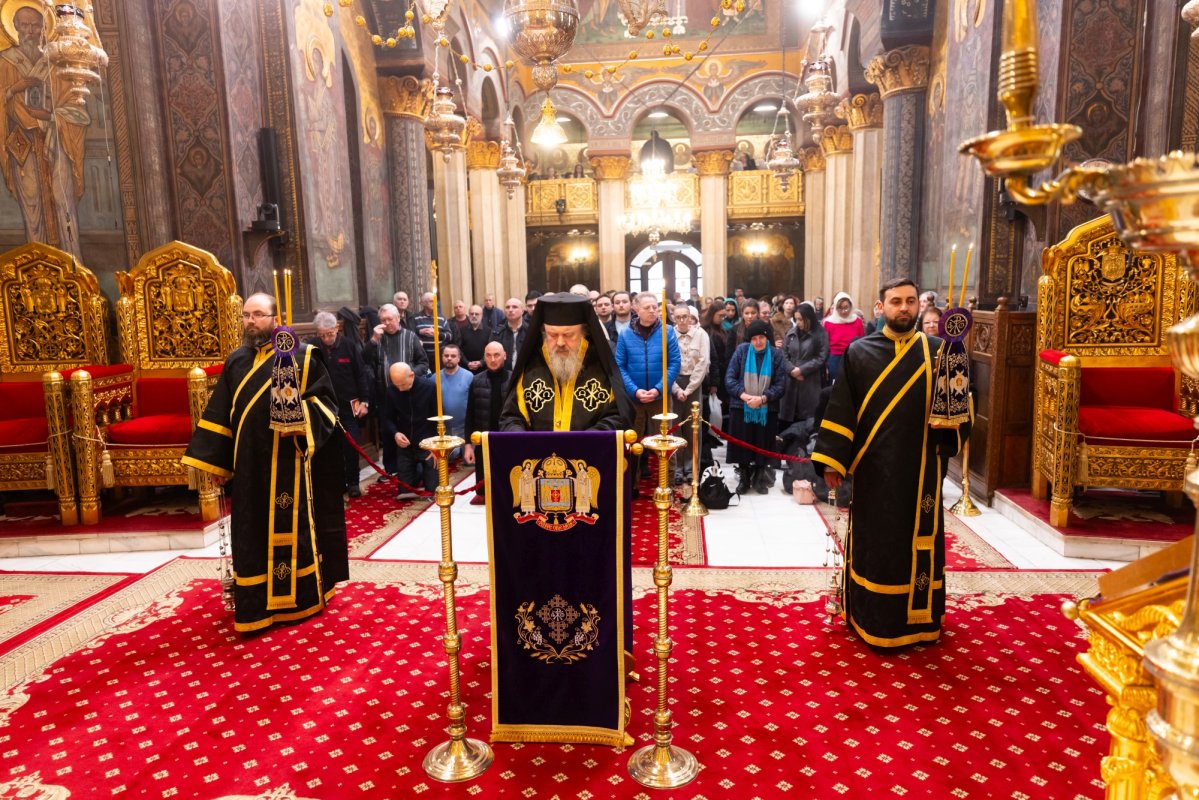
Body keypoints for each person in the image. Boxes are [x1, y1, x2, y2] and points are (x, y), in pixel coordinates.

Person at [811, 278, 970, 648]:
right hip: (874, 470)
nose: (904, 308)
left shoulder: (938, 351)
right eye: (896, 301)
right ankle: (871, 617)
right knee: (878, 544)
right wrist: (833, 460)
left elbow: (961, 408)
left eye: (911, 301)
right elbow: (842, 406)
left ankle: (920, 619)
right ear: (881, 307)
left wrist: (953, 413)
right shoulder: (859, 351)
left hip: (921, 469)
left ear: (919, 305)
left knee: (915, 543)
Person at [182, 293, 349, 632]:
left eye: (258, 314)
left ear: (275, 317)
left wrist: (298, 417)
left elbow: (327, 406)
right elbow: (220, 413)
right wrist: (216, 463)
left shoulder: (303, 357)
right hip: (248, 468)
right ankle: (256, 606)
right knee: (250, 532)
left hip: (290, 463)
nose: (250, 321)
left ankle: (300, 600)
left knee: (294, 530)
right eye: (246, 315)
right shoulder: (236, 361)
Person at [500, 292, 630, 431]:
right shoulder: (530, 363)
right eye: (552, 335)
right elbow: (511, 417)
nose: (560, 342)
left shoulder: (601, 362)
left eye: (568, 335)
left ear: (584, 332)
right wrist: (521, 436)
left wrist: (591, 438)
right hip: (536, 446)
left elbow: (618, 415)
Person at [614, 292, 681, 489]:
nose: (653, 311)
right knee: (632, 441)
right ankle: (631, 485)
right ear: (636, 309)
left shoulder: (667, 331)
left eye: (655, 307)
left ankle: (667, 484)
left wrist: (658, 389)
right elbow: (620, 366)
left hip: (660, 397)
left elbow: (674, 363)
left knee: (666, 441)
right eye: (647, 307)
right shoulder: (626, 334)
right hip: (634, 398)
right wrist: (634, 391)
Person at [307, 311, 371, 497]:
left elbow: (361, 374)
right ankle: (336, 483)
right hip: (322, 407)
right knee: (329, 448)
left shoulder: (349, 346)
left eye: (330, 334)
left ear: (336, 329)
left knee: (351, 446)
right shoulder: (312, 347)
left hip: (348, 407)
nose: (327, 339)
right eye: (322, 335)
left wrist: (365, 401)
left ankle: (353, 482)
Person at [364, 303, 428, 474]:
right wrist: (373, 340)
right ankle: (391, 470)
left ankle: (412, 469)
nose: (386, 323)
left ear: (398, 318)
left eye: (390, 319)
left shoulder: (410, 337)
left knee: (408, 431)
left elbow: (423, 363)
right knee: (388, 432)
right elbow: (364, 360)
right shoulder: (377, 339)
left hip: (408, 394)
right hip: (385, 394)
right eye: (383, 320)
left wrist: (409, 375)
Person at [724, 319, 787, 494]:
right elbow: (729, 379)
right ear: (749, 339)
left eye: (761, 337)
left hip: (766, 407)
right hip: (741, 405)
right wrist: (744, 396)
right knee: (742, 443)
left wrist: (763, 398)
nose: (758, 341)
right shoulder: (741, 351)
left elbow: (781, 384)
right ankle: (744, 476)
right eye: (754, 338)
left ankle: (760, 476)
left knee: (763, 442)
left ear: (767, 338)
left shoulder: (776, 355)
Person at [463, 341, 511, 505]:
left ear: (504, 355)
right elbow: (469, 415)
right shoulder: (476, 381)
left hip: (508, 435)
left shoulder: (514, 379)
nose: (492, 359)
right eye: (488, 355)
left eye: (496, 355)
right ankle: (483, 493)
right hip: (484, 436)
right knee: (483, 469)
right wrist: (468, 445)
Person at [383, 362, 438, 499]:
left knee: (433, 491)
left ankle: (423, 473)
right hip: (405, 445)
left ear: (412, 375)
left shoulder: (430, 387)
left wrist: (437, 448)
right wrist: (395, 433)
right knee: (405, 493)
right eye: (397, 385)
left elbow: (439, 418)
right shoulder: (391, 391)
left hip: (428, 444)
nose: (400, 389)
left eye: (402, 384)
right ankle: (417, 473)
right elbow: (387, 418)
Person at [670, 304, 709, 484]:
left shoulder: (701, 334)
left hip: (694, 383)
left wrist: (689, 389)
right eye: (678, 317)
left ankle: (692, 468)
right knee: (675, 427)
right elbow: (665, 363)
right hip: (674, 382)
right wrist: (676, 389)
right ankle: (677, 469)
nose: (682, 320)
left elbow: (703, 362)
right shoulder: (669, 335)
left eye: (685, 316)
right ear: (673, 318)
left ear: (691, 317)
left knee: (693, 428)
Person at [779, 303, 828, 428]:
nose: (798, 322)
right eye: (796, 319)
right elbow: (784, 354)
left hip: (810, 379)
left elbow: (821, 357)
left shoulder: (820, 333)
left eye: (801, 319)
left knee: (807, 417)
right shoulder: (791, 333)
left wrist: (801, 370)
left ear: (809, 318)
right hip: (790, 378)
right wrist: (791, 370)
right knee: (788, 415)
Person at [437, 343, 473, 458]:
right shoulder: (434, 378)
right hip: (444, 430)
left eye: (453, 356)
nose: (449, 358)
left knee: (469, 460)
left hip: (465, 429)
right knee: (448, 459)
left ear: (459, 358)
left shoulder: (469, 376)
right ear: (442, 357)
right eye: (446, 355)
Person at [824, 292, 865, 382]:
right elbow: (825, 345)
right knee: (835, 382)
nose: (843, 311)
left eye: (846, 307)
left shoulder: (857, 321)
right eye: (840, 308)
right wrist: (825, 364)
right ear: (835, 308)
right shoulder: (828, 322)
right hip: (835, 357)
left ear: (851, 306)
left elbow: (862, 341)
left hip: (853, 356)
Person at [413, 291, 459, 363]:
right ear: (423, 303)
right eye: (431, 301)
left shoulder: (441, 318)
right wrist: (420, 332)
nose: (435, 303)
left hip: (439, 356)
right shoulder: (415, 318)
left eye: (435, 301)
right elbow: (411, 333)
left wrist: (437, 334)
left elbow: (450, 336)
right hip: (421, 356)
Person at [490, 296, 528, 370]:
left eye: (514, 307)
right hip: (504, 374)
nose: (510, 310)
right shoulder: (497, 333)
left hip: (526, 373)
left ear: (522, 311)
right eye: (507, 307)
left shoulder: (530, 331)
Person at [459, 304, 490, 372]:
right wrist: (467, 363)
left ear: (482, 315)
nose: (474, 316)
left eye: (477, 314)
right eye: (471, 314)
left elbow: (490, 350)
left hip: (484, 369)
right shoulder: (462, 330)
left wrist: (481, 362)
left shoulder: (489, 331)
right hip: (465, 369)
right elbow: (459, 349)